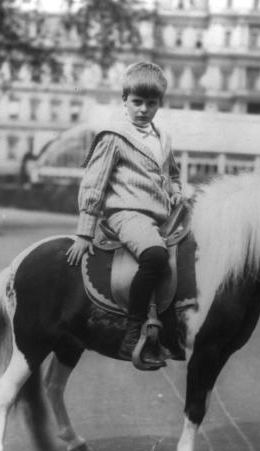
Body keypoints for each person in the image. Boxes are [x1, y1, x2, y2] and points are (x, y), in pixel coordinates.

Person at [66, 61, 183, 369]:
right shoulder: (114, 136)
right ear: (124, 100)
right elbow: (94, 183)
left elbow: (172, 173)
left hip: (161, 216)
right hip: (127, 213)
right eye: (137, 102)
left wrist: (175, 190)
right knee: (156, 256)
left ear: (159, 104)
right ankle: (133, 333)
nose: (143, 110)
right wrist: (84, 232)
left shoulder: (163, 138)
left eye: (151, 103)